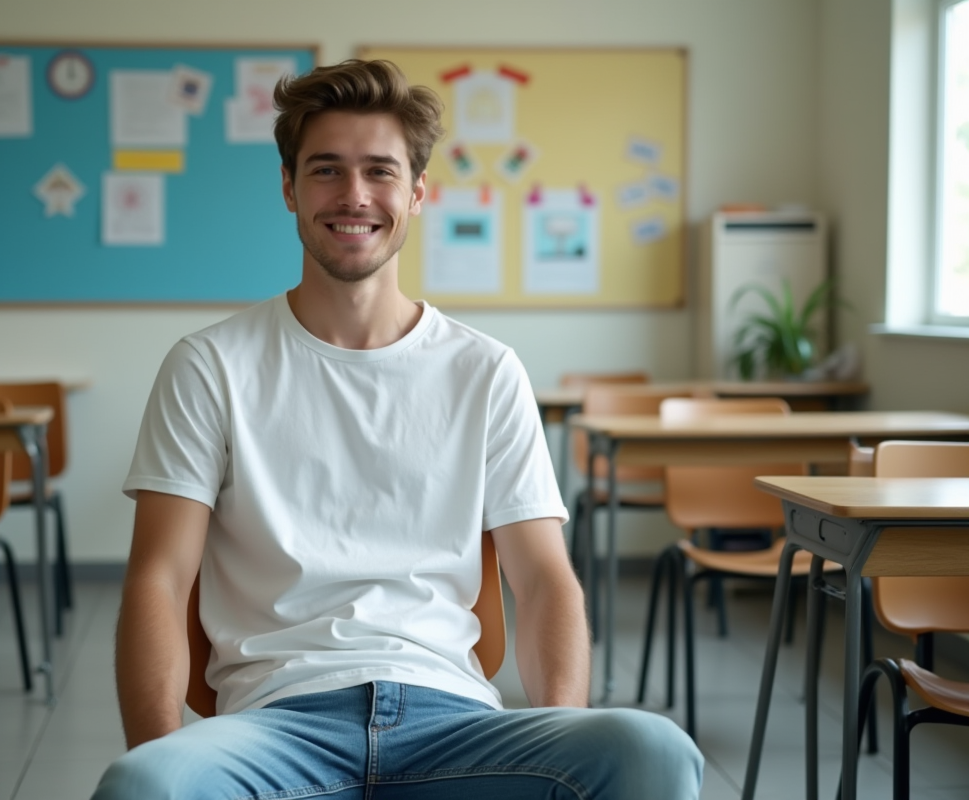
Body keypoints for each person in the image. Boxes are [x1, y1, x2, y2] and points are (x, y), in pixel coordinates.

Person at [92, 59, 703, 800]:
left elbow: (544, 580)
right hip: (277, 726)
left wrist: (557, 734)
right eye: (326, 170)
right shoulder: (210, 366)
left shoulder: (485, 370)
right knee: (140, 786)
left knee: (653, 751)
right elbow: (159, 578)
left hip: (456, 722)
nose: (354, 196)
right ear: (288, 188)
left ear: (417, 192)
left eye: (379, 171)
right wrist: (164, 759)